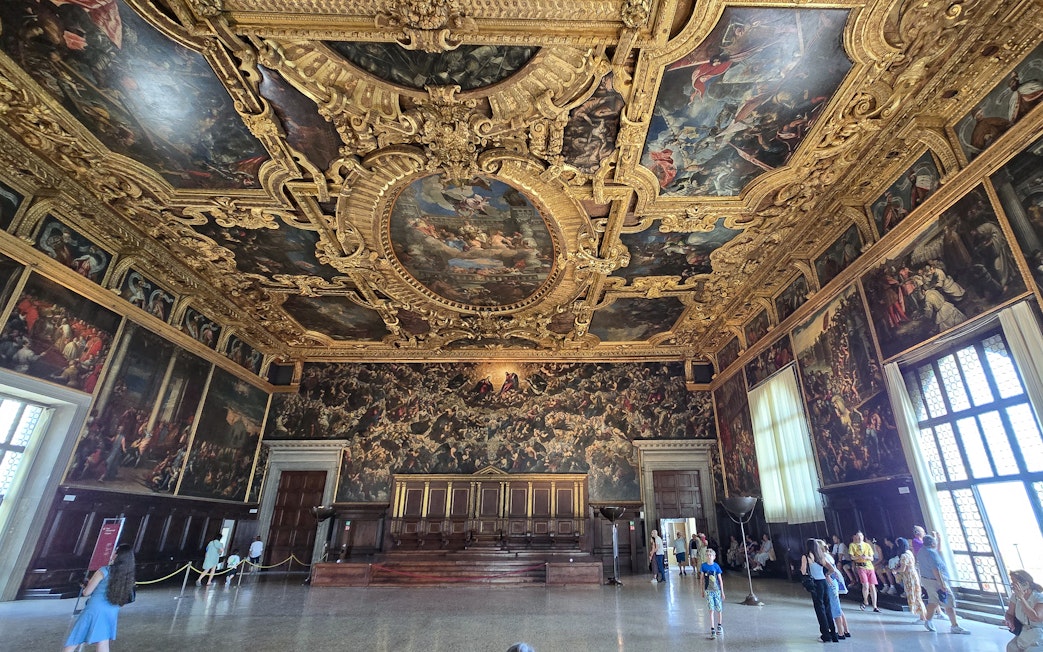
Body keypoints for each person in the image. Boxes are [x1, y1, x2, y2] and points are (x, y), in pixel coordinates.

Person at [63, 543, 136, 652]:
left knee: (75, 639)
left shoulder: (104, 570)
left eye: (115, 551)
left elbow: (87, 592)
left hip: (94, 609)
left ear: (117, 555)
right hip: (111, 610)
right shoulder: (127, 576)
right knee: (103, 642)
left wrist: (85, 586)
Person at [916, 534, 971, 634]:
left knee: (933, 601)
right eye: (935, 542)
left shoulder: (921, 551)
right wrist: (942, 584)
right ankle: (954, 625)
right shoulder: (932, 553)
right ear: (932, 543)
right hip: (936, 581)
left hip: (926, 580)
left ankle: (928, 621)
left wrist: (939, 539)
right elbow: (936, 570)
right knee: (948, 602)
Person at [801, 538, 838, 643]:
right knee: (827, 608)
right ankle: (833, 634)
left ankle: (825, 635)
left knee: (819, 609)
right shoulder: (821, 556)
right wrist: (826, 575)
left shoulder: (806, 556)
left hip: (815, 584)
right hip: (824, 582)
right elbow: (832, 569)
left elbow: (803, 571)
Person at [820, 539, 851, 639]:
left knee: (835, 608)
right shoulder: (828, 555)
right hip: (834, 582)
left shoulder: (823, 557)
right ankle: (846, 630)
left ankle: (841, 633)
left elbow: (830, 570)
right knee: (837, 607)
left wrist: (826, 575)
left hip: (830, 583)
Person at [893, 537, 927, 624]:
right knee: (917, 596)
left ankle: (923, 617)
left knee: (916, 597)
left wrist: (895, 570)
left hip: (909, 577)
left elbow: (903, 569)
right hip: (912, 575)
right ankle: (922, 616)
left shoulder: (904, 555)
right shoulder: (909, 553)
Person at [1007, 570, 1043, 651]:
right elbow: (1009, 614)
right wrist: (1009, 621)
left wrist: (1021, 598)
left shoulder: (1039, 597)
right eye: (1012, 582)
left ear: (1026, 584)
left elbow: (1035, 617)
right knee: (1011, 647)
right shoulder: (1015, 596)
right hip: (1023, 632)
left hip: (1039, 633)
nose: (1012, 585)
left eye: (1015, 582)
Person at [848, 531, 879, 612]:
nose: (859, 538)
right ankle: (865, 600)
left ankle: (875, 606)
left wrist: (866, 557)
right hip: (860, 566)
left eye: (860, 536)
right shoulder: (852, 545)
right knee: (865, 585)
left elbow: (872, 558)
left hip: (869, 566)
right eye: (858, 537)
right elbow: (852, 557)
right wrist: (859, 557)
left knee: (872, 586)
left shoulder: (867, 545)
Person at [700, 548, 725, 639]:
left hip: (716, 590)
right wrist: (702, 590)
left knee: (719, 608)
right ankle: (712, 628)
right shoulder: (703, 566)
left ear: (714, 557)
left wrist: (722, 592)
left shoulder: (716, 566)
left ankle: (719, 625)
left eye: (711, 555)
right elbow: (702, 579)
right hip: (708, 591)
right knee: (711, 609)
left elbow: (720, 580)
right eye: (707, 555)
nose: (709, 556)